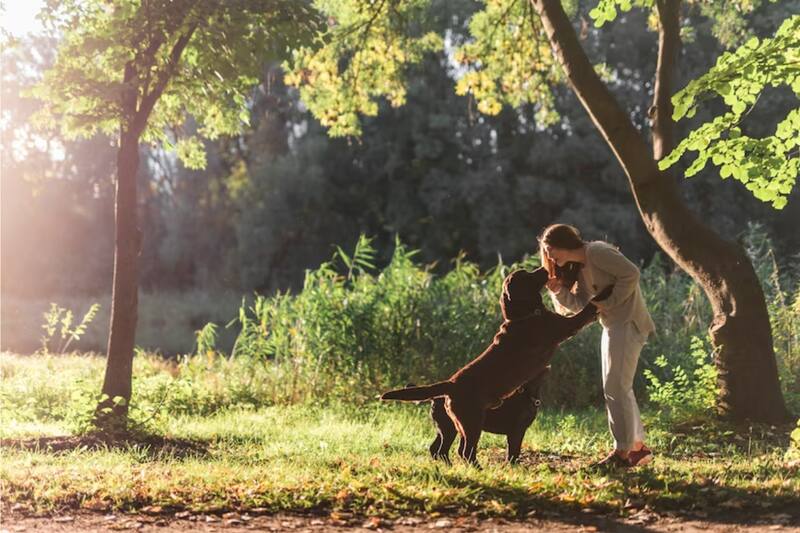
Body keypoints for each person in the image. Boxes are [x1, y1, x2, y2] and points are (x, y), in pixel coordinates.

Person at [539, 223, 655, 468]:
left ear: (564, 244)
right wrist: (558, 291)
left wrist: (607, 302)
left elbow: (631, 273)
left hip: (628, 322)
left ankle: (622, 453)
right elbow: (581, 307)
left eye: (550, 250)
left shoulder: (597, 252)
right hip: (613, 326)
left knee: (616, 387)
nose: (549, 257)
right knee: (618, 387)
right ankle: (636, 448)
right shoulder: (580, 268)